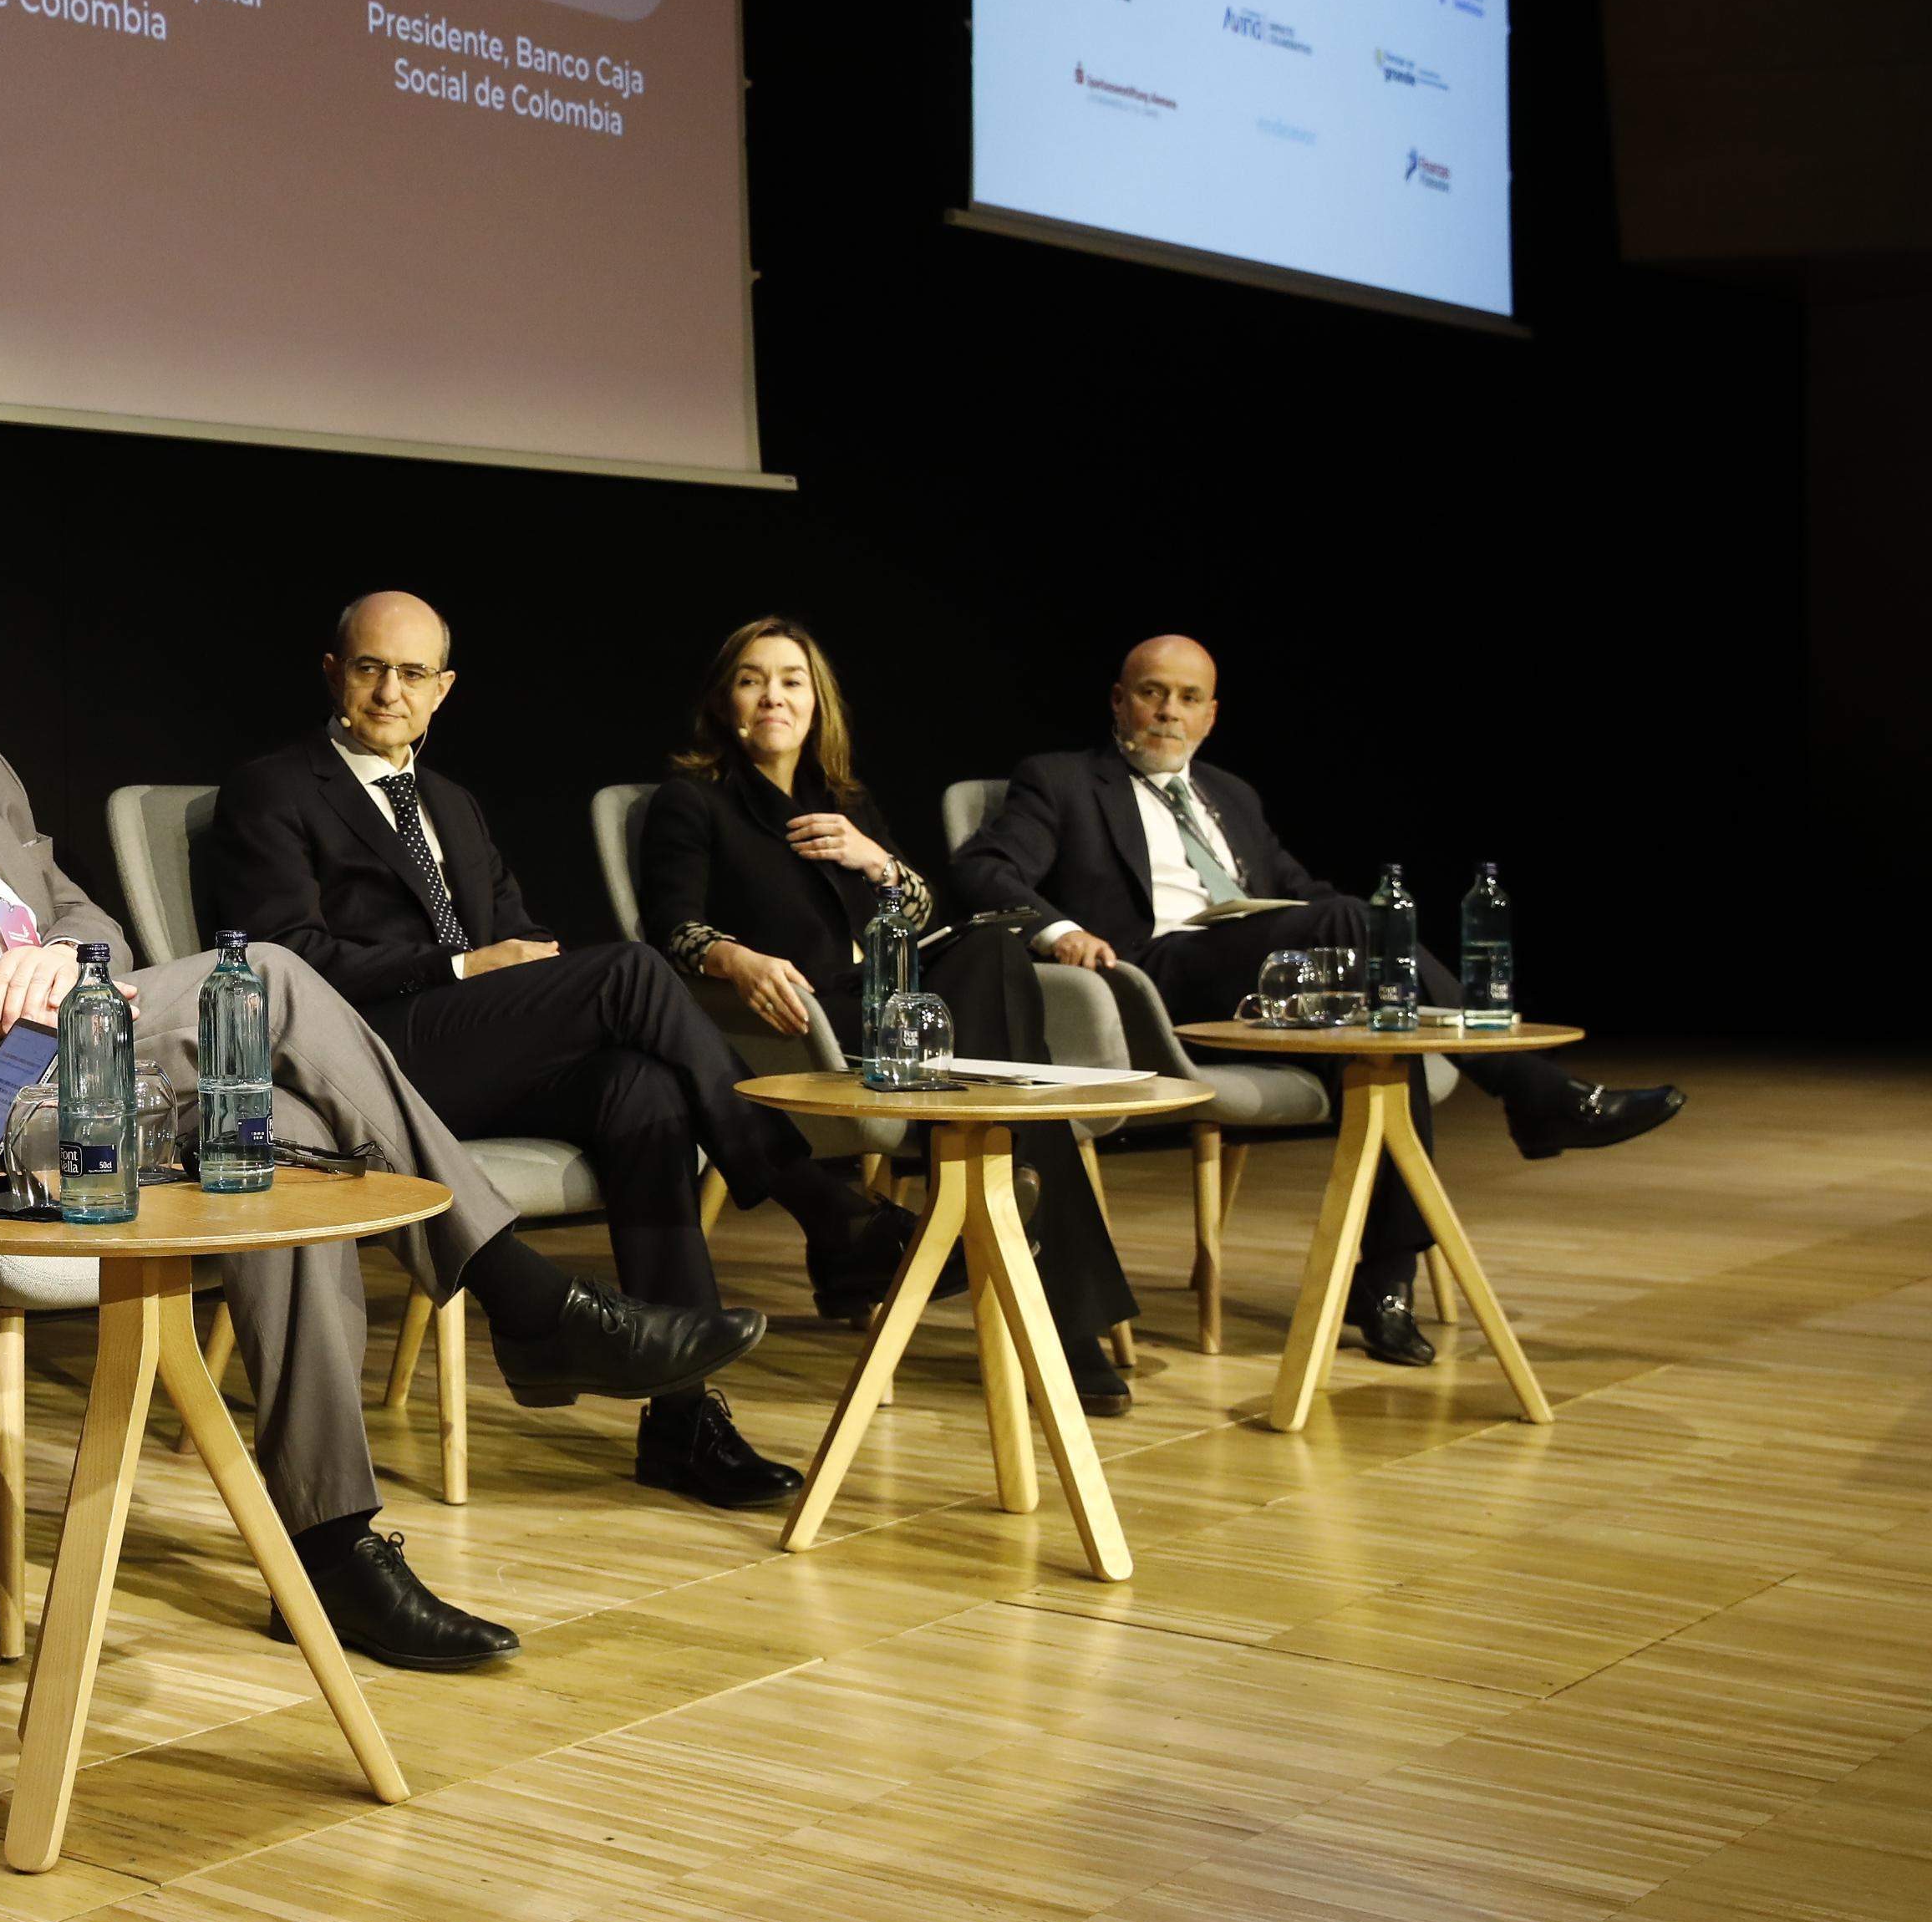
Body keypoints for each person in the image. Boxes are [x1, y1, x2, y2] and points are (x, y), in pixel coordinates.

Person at [0, 486, 744, 1672]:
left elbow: (94, 927)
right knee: (258, 977)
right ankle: (521, 1298)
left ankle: (332, 1543)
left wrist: (68, 962)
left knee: (290, 1129)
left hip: (84, 1075)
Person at [202, 594, 916, 1512]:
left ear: (443, 690)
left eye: (413, 673)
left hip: (469, 1056)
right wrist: (461, 964)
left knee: (641, 1089)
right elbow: (283, 957)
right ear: (334, 673)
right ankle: (820, 1204)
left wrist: (515, 965)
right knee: (627, 972)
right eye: (371, 668)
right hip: (362, 1061)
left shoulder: (451, 805)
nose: (391, 691)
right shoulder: (276, 786)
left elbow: (519, 934)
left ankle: (681, 1420)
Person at [950, 634, 1683, 1365]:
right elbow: (984, 867)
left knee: (1383, 1033)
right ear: (1119, 700)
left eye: (1189, 698)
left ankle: (1384, 1281)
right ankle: (1535, 1093)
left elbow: (1304, 896)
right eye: (1151, 692)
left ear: (1211, 714)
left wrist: (1367, 940)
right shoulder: (1061, 780)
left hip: (1273, 986)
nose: (1168, 712)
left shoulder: (1230, 795)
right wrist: (1061, 931)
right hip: (1157, 980)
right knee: (1359, 934)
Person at [639, 618, 1143, 1418]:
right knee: (1011, 1077)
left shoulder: (845, 801)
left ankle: (931, 1237)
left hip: (888, 1008)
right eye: (752, 678)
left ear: (817, 704)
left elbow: (918, 912)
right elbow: (671, 928)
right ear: (723, 700)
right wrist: (738, 958)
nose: (774, 694)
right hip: (798, 1019)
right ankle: (1057, 1320)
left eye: (792, 680)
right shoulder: (692, 801)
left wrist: (874, 859)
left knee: (993, 950)